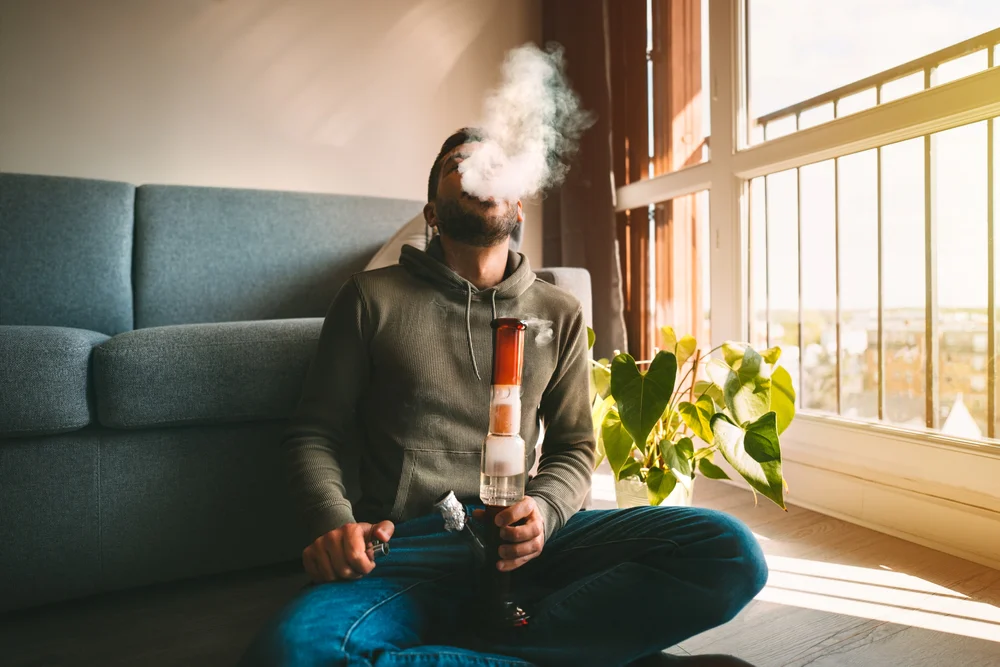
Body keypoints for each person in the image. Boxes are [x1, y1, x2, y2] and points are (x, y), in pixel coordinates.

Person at [237, 129, 767, 667]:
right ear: (433, 214)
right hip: (409, 549)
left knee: (731, 552)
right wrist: (333, 521)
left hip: (529, 545)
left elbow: (575, 446)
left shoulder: (559, 312)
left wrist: (543, 509)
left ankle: (476, 647)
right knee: (293, 652)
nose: (479, 169)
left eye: (495, 165)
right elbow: (313, 433)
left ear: (517, 205)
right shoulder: (369, 298)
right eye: (458, 165)